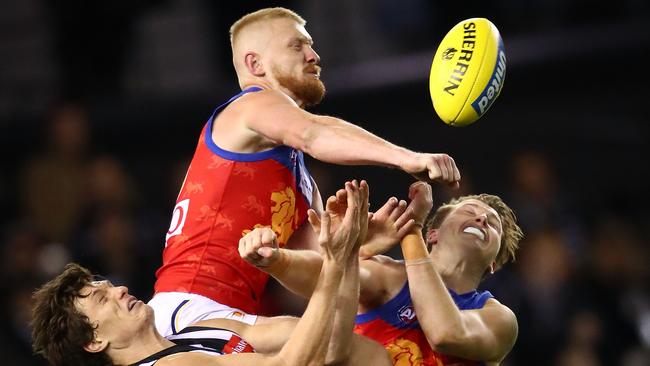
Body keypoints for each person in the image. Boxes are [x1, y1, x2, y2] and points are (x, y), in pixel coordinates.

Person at [152, 6, 460, 336]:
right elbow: (314, 133)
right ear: (255, 64)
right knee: (353, 351)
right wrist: (406, 158)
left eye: (311, 45)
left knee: (346, 345)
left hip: (223, 316)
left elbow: (306, 270)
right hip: (191, 306)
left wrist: (361, 241)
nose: (313, 55)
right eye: (296, 46)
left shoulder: (297, 179)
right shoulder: (249, 105)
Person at [31, 181, 391, 366]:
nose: (120, 289)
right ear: (93, 342)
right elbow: (294, 363)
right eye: (101, 298)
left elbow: (331, 347)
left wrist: (348, 253)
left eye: (108, 286)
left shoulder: (199, 333)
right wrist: (336, 258)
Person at [240, 182, 524, 365]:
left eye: (493, 225)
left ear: (493, 265)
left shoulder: (498, 318)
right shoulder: (390, 275)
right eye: (470, 211)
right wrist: (275, 259)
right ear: (434, 233)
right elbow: (324, 278)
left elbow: (445, 333)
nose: (482, 219)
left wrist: (410, 225)